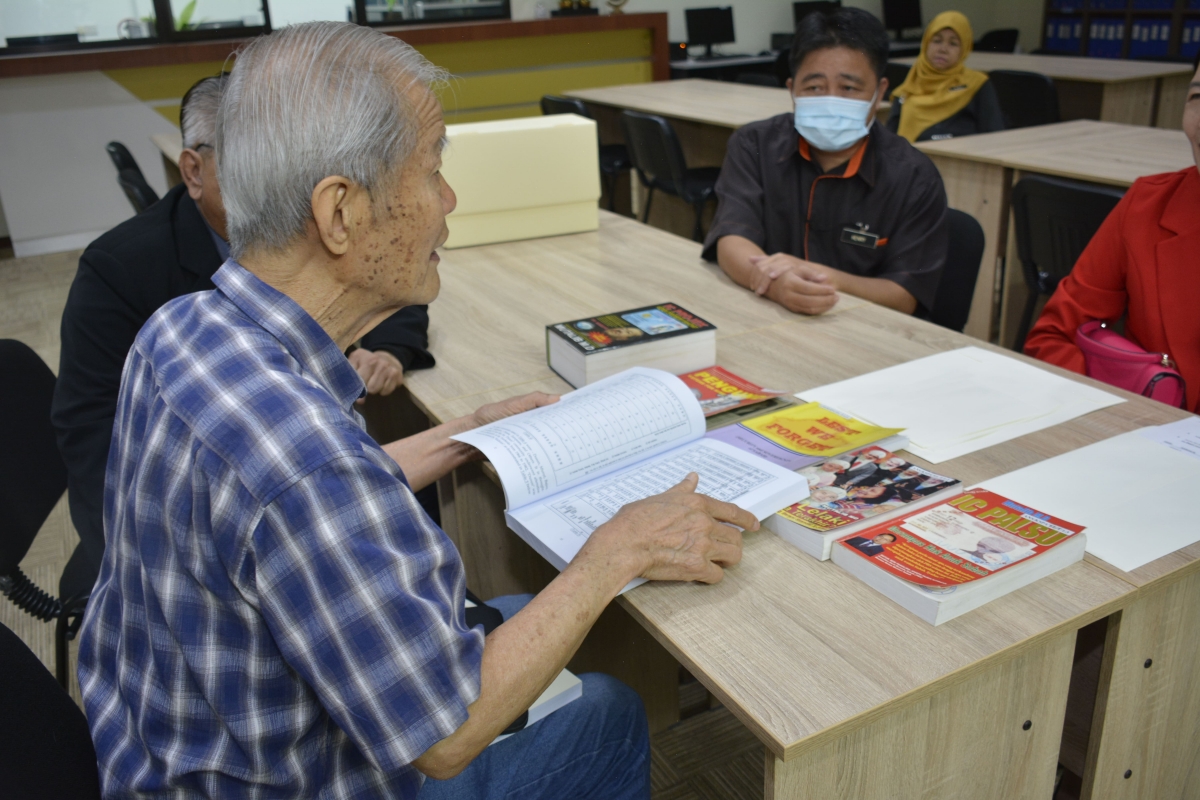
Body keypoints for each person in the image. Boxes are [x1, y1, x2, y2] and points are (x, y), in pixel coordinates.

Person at [77, 23, 757, 799]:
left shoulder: (182, 326)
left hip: (165, 748)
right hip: (303, 780)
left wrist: (464, 434)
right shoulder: (308, 465)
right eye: (433, 169)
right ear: (340, 213)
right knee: (606, 711)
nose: (449, 200)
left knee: (514, 609)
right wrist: (616, 553)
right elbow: (444, 732)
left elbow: (289, 509)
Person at [51, 73, 436, 598]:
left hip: (305, 463)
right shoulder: (120, 269)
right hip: (193, 522)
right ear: (193, 170)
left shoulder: (305, 221)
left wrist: (390, 348)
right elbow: (92, 430)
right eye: (248, 160)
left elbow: (389, 278)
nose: (271, 177)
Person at [702, 7, 947, 317]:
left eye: (849, 88)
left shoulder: (914, 176)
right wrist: (775, 285)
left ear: (879, 92)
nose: (831, 101)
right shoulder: (754, 145)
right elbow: (732, 239)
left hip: (861, 327)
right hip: (769, 314)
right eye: (814, 88)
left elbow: (904, 295)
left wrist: (824, 278)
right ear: (792, 90)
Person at [1024, 53, 1200, 415]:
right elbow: (1053, 337)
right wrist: (1116, 419)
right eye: (1198, 98)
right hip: (1152, 429)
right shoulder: (1147, 208)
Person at [886, 11, 1005, 143]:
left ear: (964, 49)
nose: (943, 49)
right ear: (926, 43)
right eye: (937, 41)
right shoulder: (910, 86)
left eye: (953, 44)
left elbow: (995, 135)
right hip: (912, 155)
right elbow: (889, 141)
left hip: (964, 154)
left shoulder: (977, 84)